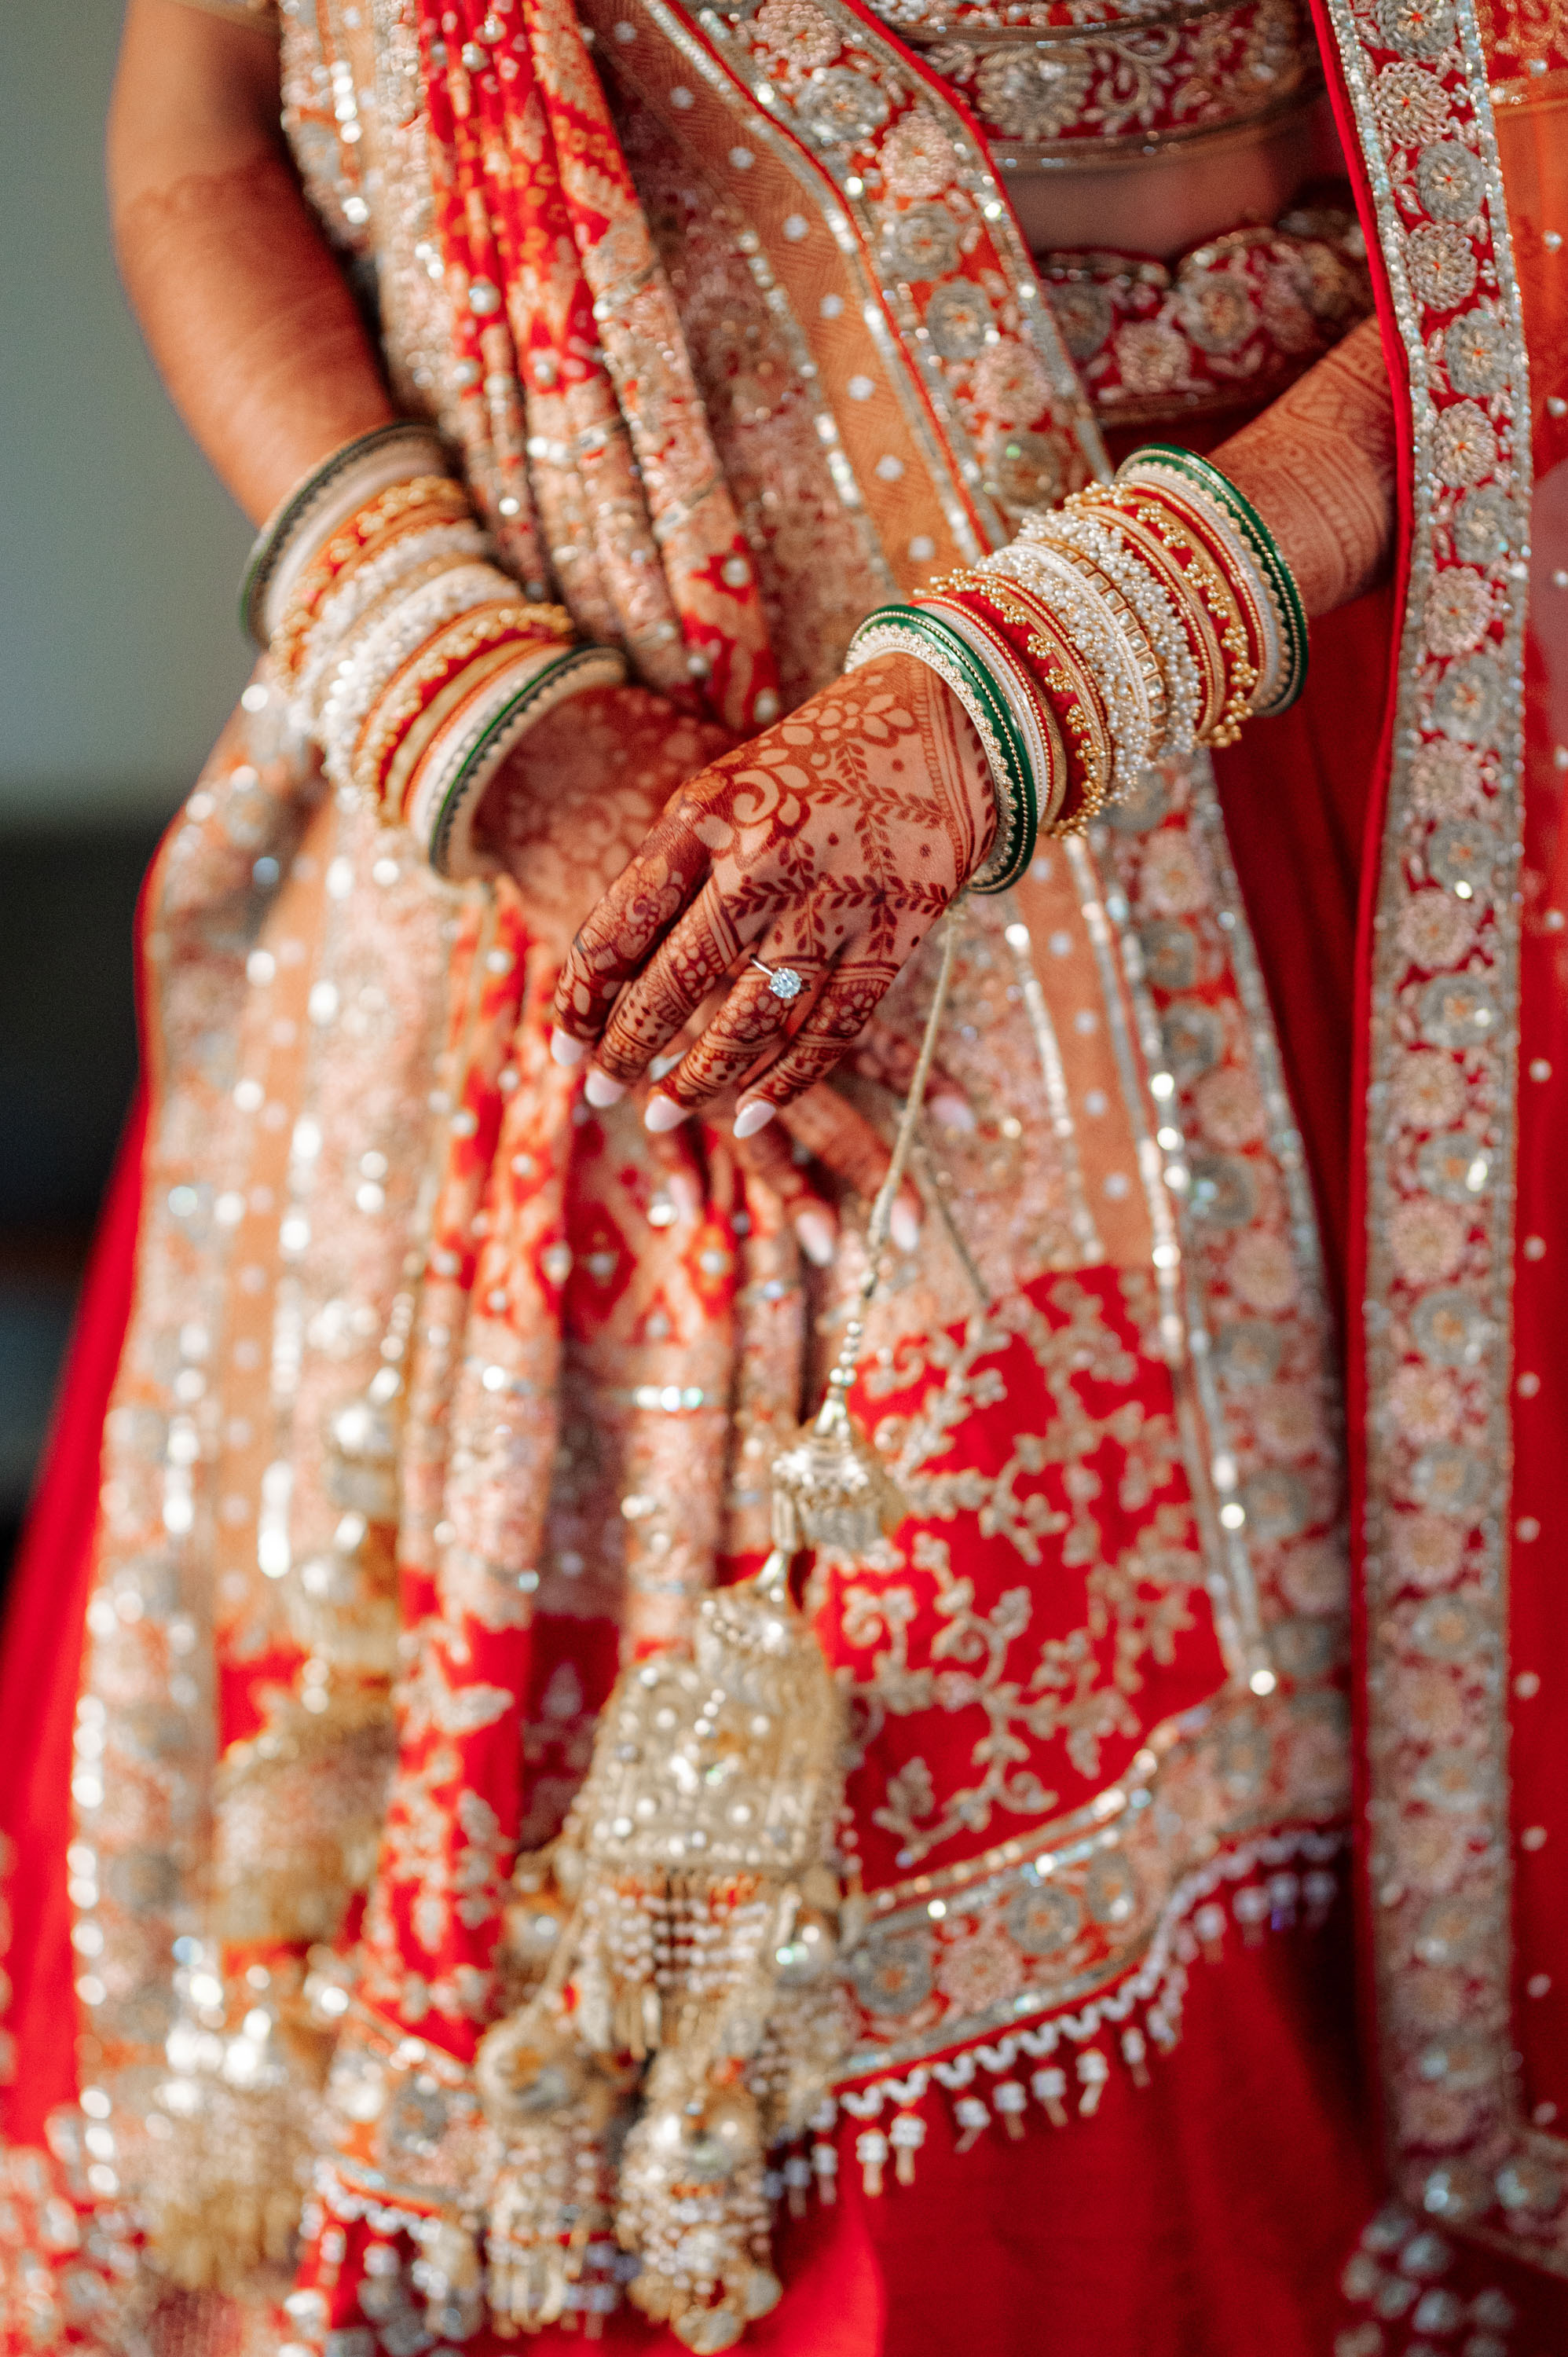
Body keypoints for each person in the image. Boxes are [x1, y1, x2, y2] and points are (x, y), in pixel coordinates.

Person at [1, 0, 1564, 2348]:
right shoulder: (483, 771)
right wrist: (480, 720)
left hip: (1161, 871)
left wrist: (1053, 676)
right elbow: (195, 127)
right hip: (461, 917)